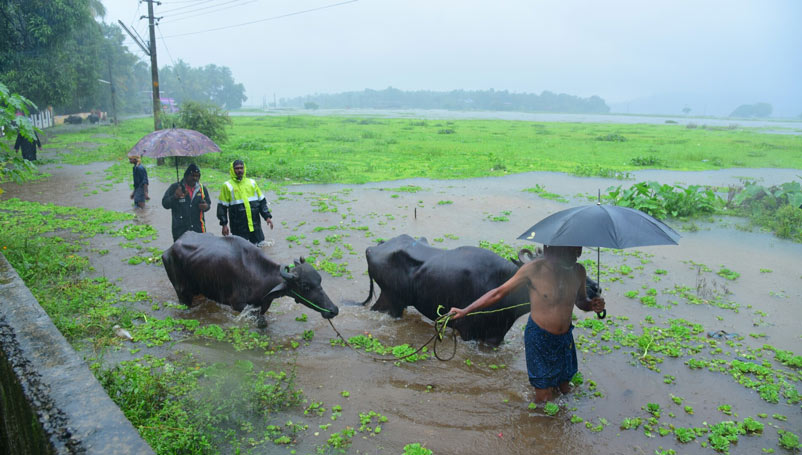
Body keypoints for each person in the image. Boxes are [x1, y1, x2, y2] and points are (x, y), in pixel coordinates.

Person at [449, 245, 605, 403]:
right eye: (572, 250)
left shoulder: (578, 271)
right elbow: (498, 293)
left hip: (565, 339)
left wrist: (592, 305)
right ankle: (537, 423)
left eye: (578, 250)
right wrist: (465, 310)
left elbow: (580, 300)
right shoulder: (534, 270)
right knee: (543, 397)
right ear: (555, 249)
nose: (577, 255)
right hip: (539, 338)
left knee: (564, 388)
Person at [217, 159, 273, 246]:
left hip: (255, 225)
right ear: (232, 170)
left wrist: (267, 217)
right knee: (240, 250)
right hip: (238, 227)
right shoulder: (227, 186)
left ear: (244, 169)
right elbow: (222, 208)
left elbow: (262, 202)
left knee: (260, 247)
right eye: (237, 168)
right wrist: (224, 224)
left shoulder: (252, 183)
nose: (239, 170)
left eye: (241, 168)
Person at [162, 163, 211, 241]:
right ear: (186, 176)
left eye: (197, 176)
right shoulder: (175, 187)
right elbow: (165, 204)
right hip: (180, 231)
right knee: (181, 253)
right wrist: (175, 196)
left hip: (198, 229)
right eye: (192, 176)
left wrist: (206, 206)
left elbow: (208, 204)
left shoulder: (202, 189)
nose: (195, 178)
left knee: (199, 252)